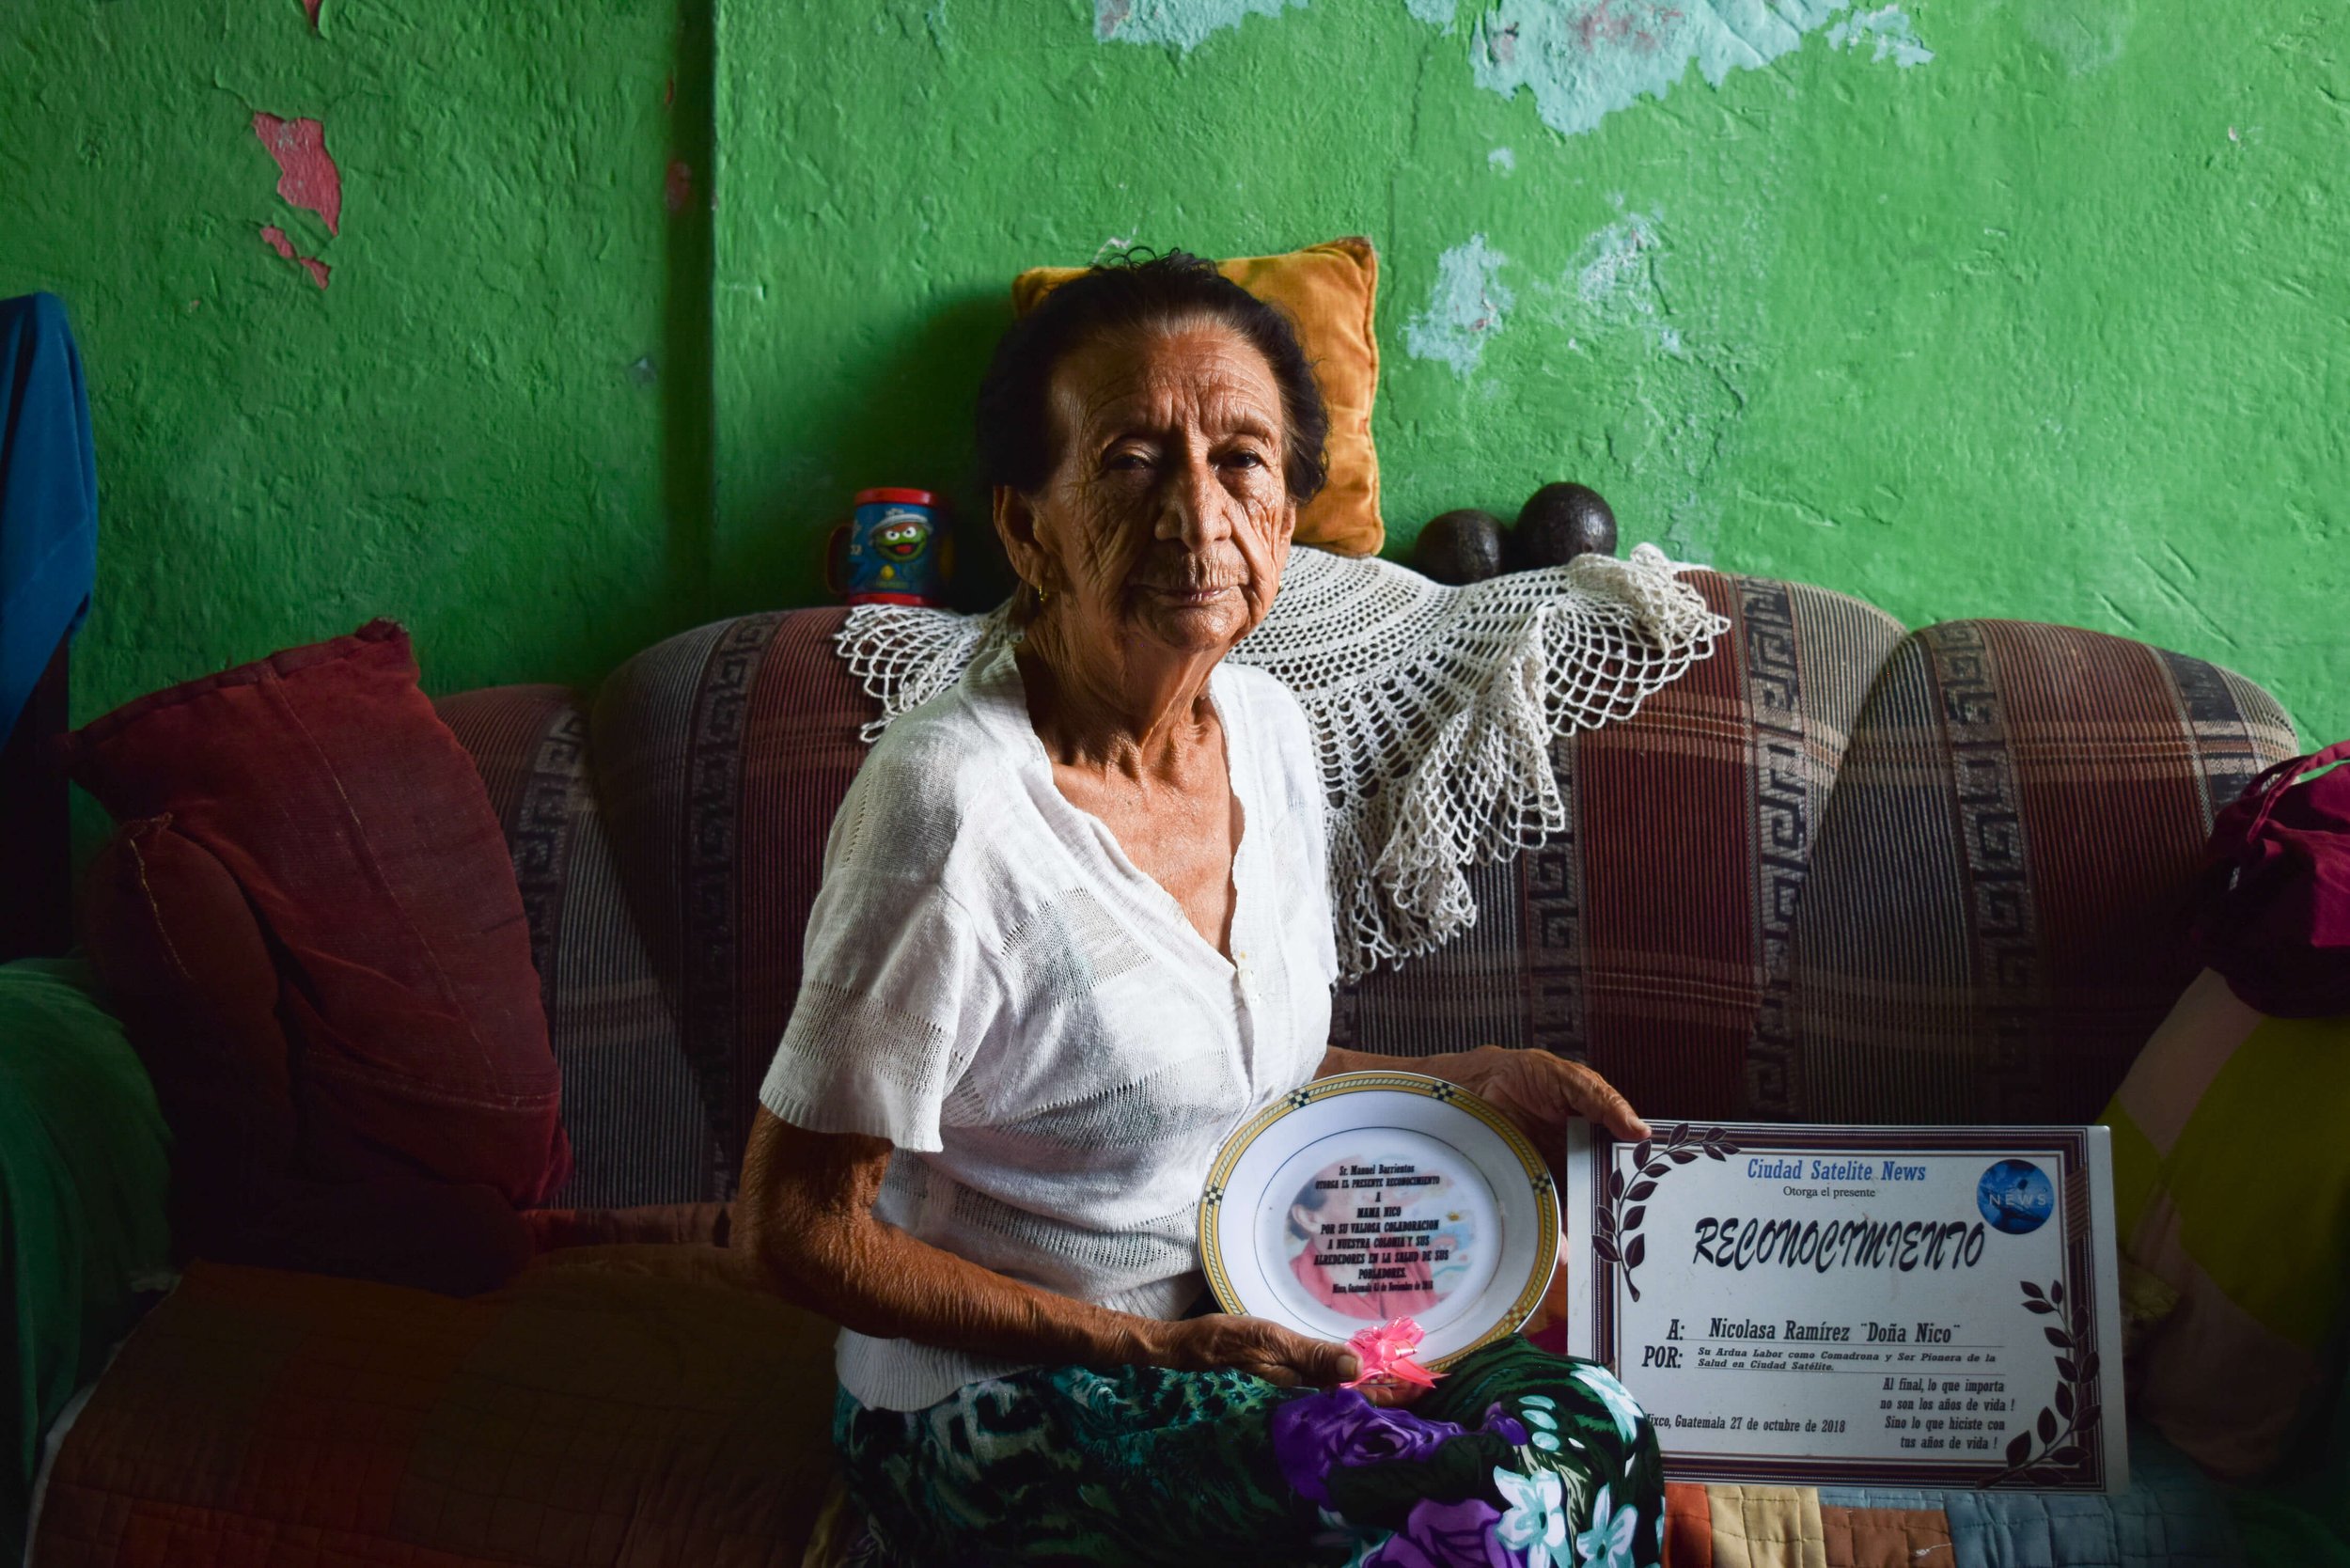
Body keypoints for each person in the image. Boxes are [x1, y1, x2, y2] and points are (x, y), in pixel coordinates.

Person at [737, 251, 1665, 1566]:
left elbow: (1217, 1074)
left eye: (1241, 460)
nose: (1195, 510)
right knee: (1480, 1524)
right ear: (1026, 526)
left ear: (1285, 518)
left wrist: (1472, 1079)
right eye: (1127, 459)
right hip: (1001, 1395)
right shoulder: (952, 809)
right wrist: (1152, 1345)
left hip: (1248, 1331)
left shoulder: (1271, 734)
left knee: (1600, 1426)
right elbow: (791, 1225)